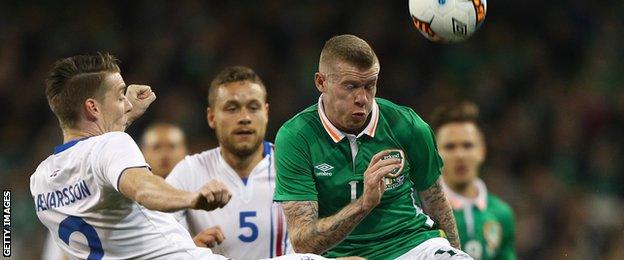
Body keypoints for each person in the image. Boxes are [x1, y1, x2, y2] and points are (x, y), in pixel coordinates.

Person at [273, 34, 472, 259]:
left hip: (409, 246)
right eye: (350, 86)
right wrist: (364, 205)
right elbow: (303, 242)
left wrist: (456, 252)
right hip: (335, 256)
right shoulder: (295, 137)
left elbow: (437, 202)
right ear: (321, 82)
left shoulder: (408, 125)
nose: (362, 98)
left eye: (370, 86)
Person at [30, 53, 231, 259]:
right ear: (93, 108)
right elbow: (143, 189)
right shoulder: (112, 144)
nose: (127, 104)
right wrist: (192, 198)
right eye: (119, 97)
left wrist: (182, 244)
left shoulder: (40, 181)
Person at [166, 66, 291, 259]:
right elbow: (155, 241)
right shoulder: (189, 172)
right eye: (232, 108)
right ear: (211, 117)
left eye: (253, 107)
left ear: (266, 113)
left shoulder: (292, 168)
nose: (244, 118)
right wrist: (188, 251)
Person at [430, 101, 516, 260]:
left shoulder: (501, 214)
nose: (460, 155)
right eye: (450, 147)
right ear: (436, 154)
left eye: (467, 145)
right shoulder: (423, 211)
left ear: (482, 151)